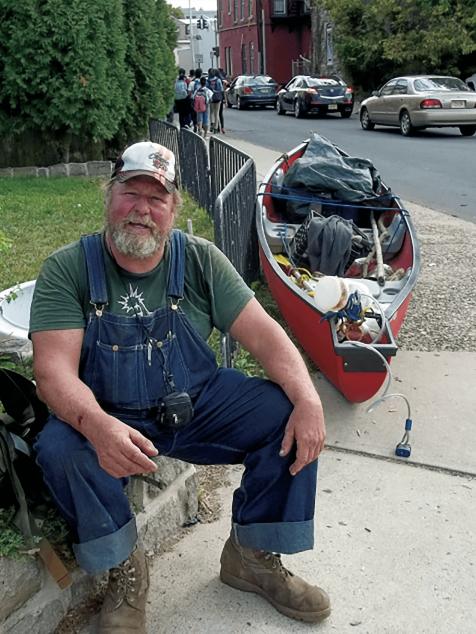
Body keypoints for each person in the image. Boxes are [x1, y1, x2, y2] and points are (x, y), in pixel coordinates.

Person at [29, 141, 330, 633]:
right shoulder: (69, 269)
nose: (141, 210)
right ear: (109, 197)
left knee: (285, 414)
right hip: (107, 415)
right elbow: (53, 373)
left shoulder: (199, 261)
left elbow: (265, 335)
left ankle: (251, 558)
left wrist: (309, 399)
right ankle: (126, 571)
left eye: (157, 199)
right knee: (62, 448)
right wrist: (100, 427)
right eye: (131, 193)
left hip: (195, 406)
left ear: (174, 210)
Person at [206, 69, 224, 134]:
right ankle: (216, 127)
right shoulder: (218, 80)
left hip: (211, 98)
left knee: (211, 112)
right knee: (217, 113)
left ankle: (212, 123)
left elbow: (206, 89)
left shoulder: (208, 81)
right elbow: (221, 89)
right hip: (218, 98)